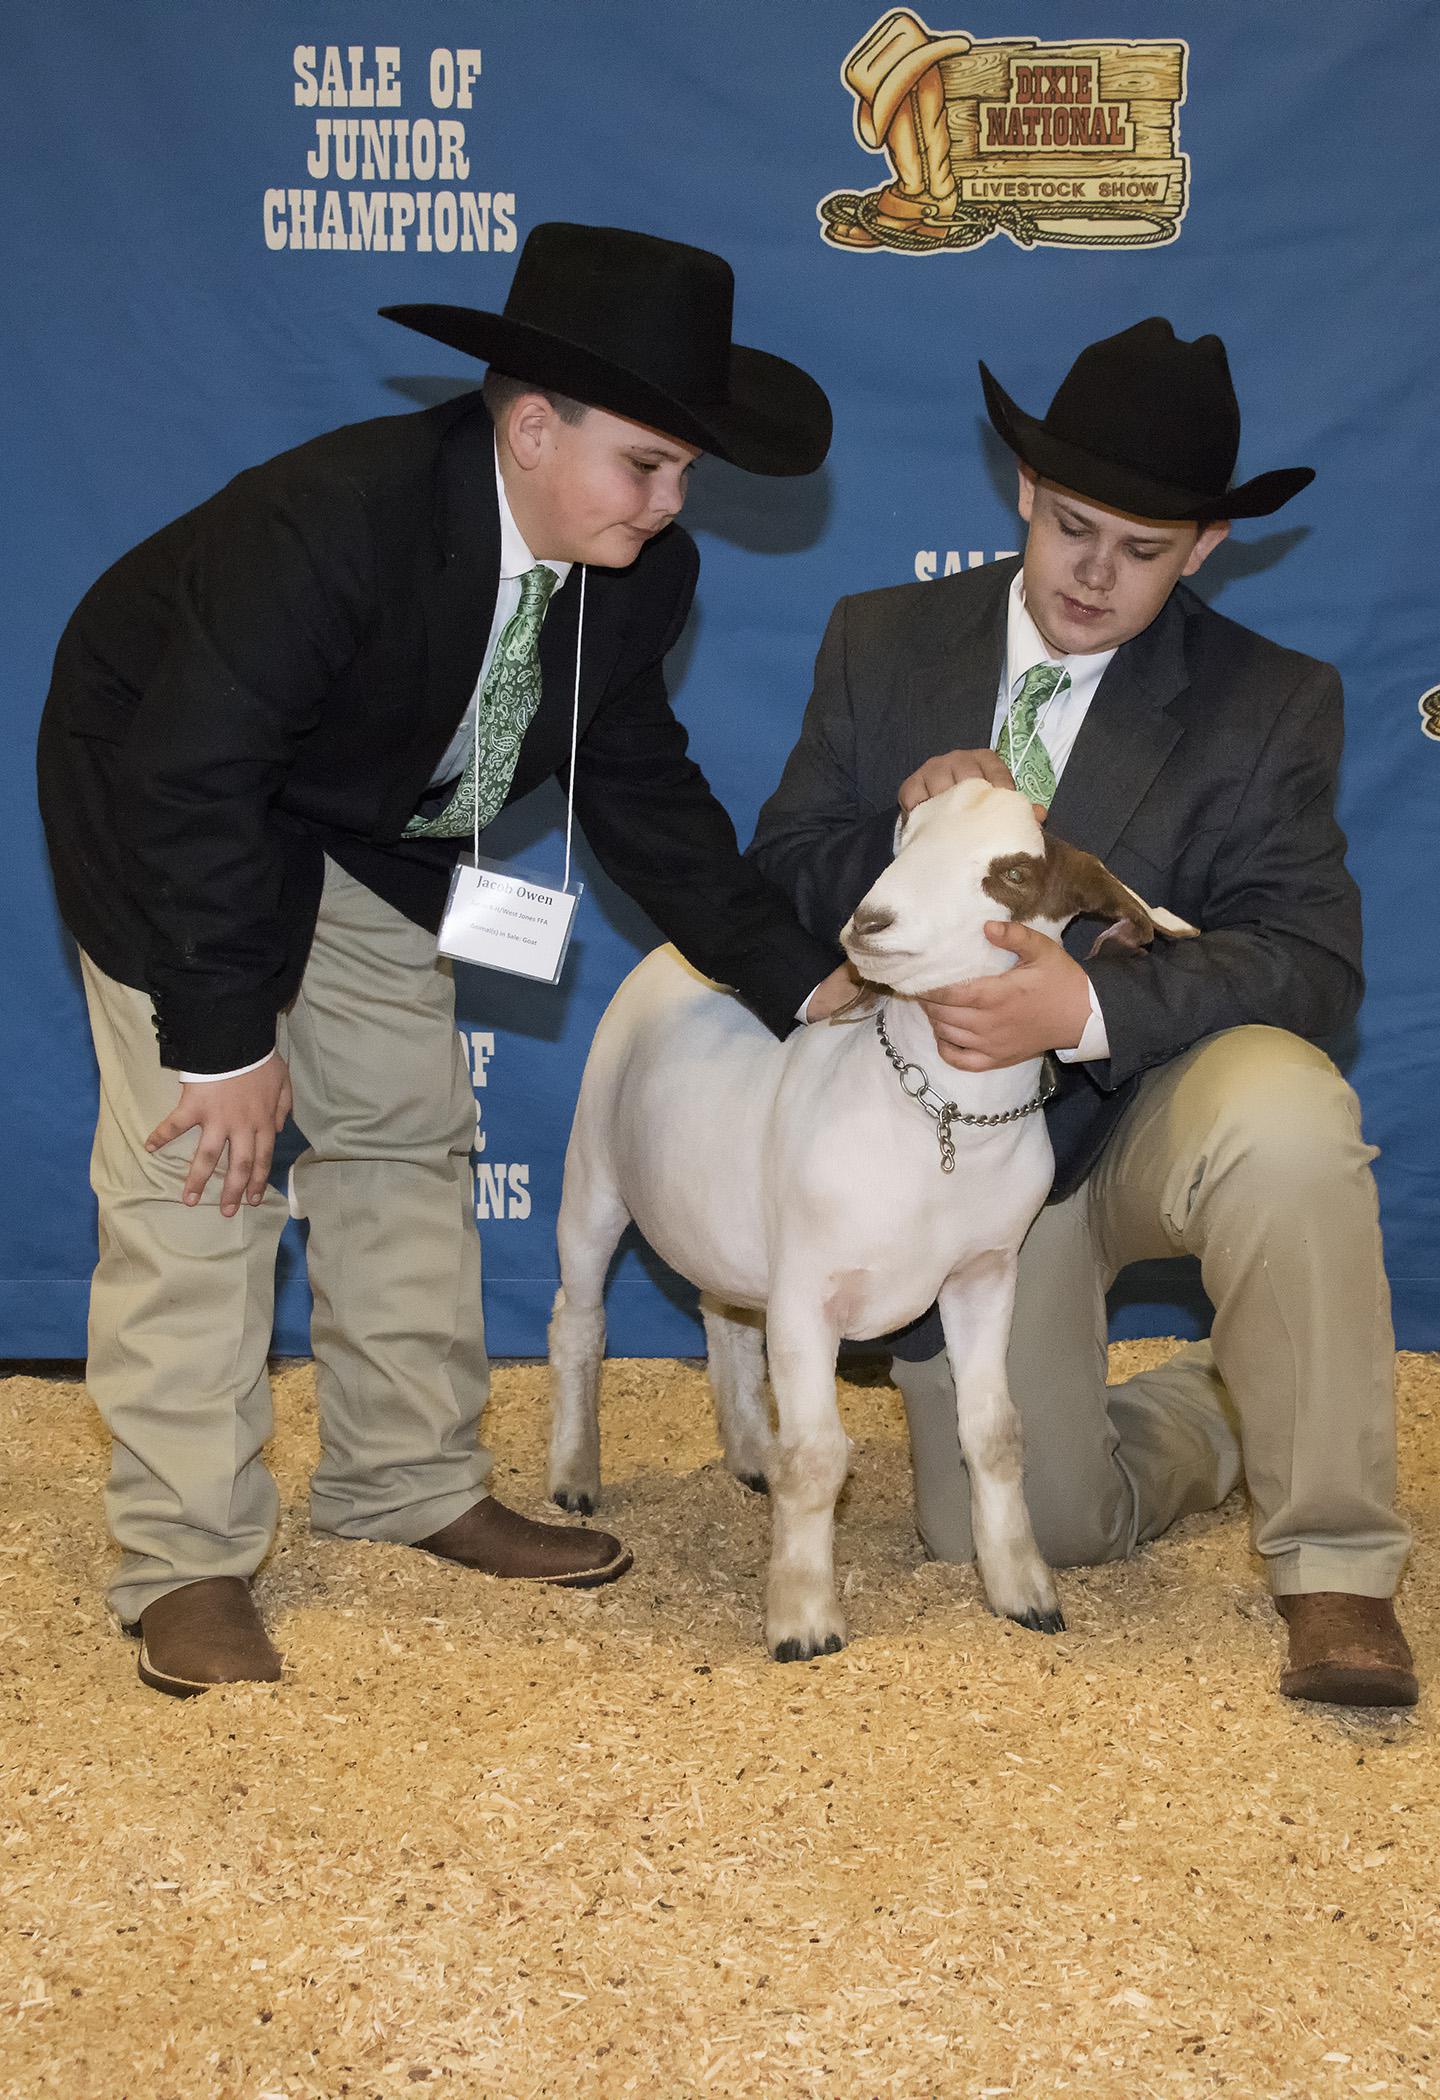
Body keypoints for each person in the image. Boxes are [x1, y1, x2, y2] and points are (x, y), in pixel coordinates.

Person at [38, 221, 850, 1697]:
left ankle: (404, 1479)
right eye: (648, 466)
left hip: (365, 826)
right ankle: (187, 1560)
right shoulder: (332, 522)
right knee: (204, 1172)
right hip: (167, 805)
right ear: (533, 427)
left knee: (405, 1126)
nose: (674, 507)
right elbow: (196, 770)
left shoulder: (633, 575)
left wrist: (796, 978)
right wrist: (224, 1040)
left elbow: (640, 787)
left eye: (687, 473)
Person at [751, 319, 1418, 1708]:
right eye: (1071, 529)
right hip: (946, 1157)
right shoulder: (882, 639)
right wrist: (903, 832)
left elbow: (1313, 958)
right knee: (1027, 1523)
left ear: (1208, 549)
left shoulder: (1272, 703)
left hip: (1138, 1104)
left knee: (1292, 1118)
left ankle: (1336, 1565)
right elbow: (783, 865)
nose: (1093, 577)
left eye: (1143, 550)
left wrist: (1087, 1003)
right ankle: (1221, 1410)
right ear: (1022, 495)